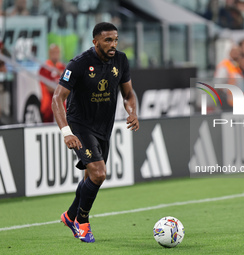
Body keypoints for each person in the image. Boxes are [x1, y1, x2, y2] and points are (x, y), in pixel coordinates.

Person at [51, 22, 139, 243]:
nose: (113, 45)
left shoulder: (121, 60)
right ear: (95, 42)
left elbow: (128, 94)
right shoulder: (79, 64)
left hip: (103, 127)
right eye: (108, 40)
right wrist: (66, 132)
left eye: (116, 40)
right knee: (99, 174)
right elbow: (57, 98)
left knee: (91, 176)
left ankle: (70, 215)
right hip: (80, 125)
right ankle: (82, 222)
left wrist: (132, 112)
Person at [39, 44, 65, 123]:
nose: (55, 55)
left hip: (62, 106)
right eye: (53, 52)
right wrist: (63, 87)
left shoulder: (62, 67)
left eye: (57, 52)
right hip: (48, 107)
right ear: (49, 53)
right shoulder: (44, 68)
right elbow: (49, 88)